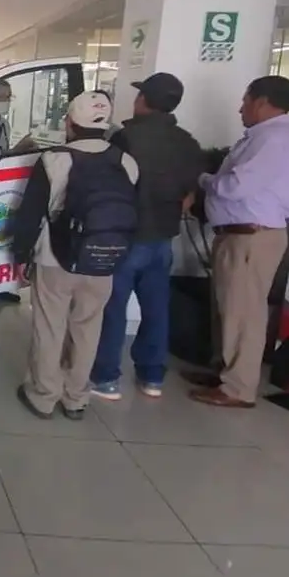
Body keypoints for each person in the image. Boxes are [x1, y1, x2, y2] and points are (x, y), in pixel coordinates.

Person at [10, 91, 139, 420]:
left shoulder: (53, 159)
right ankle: (76, 397)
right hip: (104, 260)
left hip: (56, 258)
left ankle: (43, 395)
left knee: (50, 327)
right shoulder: (126, 161)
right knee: (87, 328)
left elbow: (31, 213)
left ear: (70, 123)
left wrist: (21, 254)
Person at [186, 76, 289, 409]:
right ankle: (224, 371)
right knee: (228, 309)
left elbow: (236, 186)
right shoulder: (263, 136)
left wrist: (204, 180)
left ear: (263, 102)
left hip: (252, 238)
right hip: (238, 236)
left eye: (246, 100)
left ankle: (238, 387)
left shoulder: (274, 139)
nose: (241, 107)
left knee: (244, 313)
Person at [88, 73, 204, 401]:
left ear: (144, 101)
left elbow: (110, 187)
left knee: (114, 308)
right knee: (156, 309)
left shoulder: (126, 139)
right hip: (163, 240)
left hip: (127, 238)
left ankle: (107, 378)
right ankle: (152, 377)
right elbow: (190, 191)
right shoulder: (187, 142)